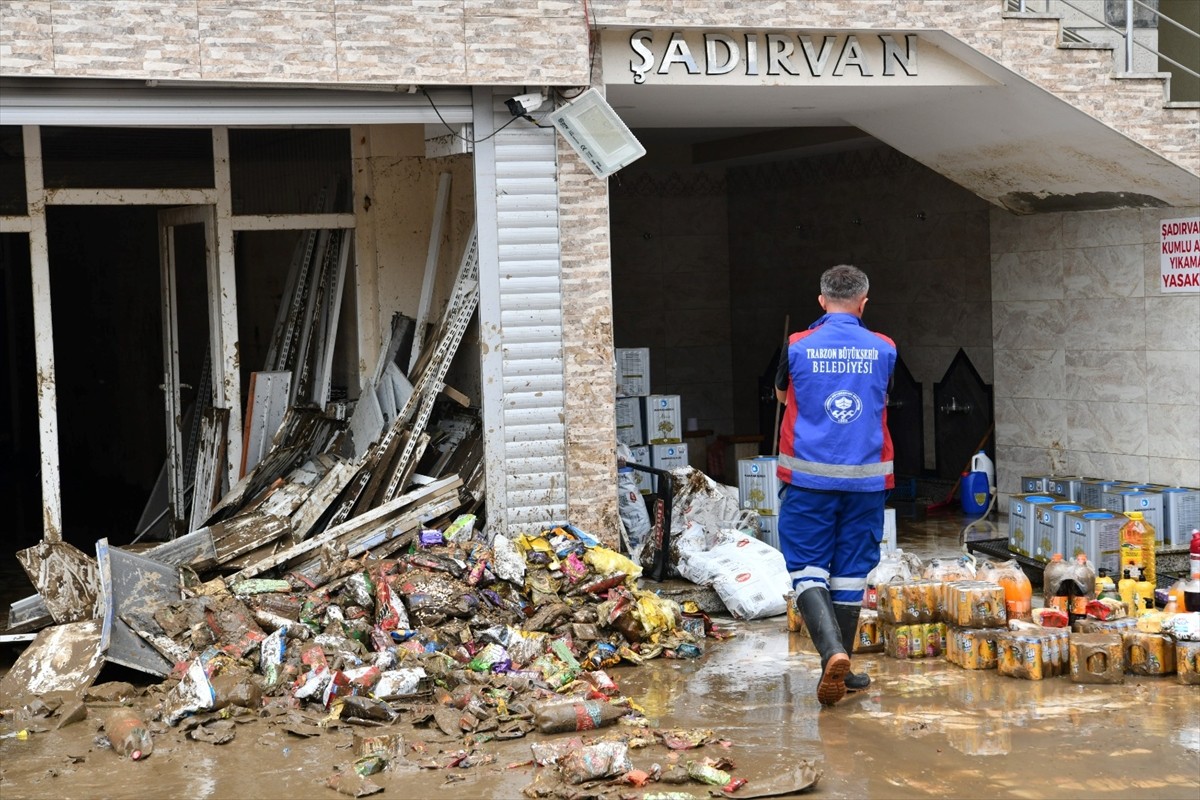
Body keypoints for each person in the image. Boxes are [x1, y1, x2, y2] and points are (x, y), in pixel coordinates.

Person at [775, 264, 896, 706]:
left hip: (809, 479)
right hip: (866, 480)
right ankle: (841, 667)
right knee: (849, 573)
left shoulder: (796, 346)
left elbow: (783, 396)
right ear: (864, 304)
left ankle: (832, 655)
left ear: (821, 301)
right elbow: (883, 395)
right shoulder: (884, 348)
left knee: (807, 567)